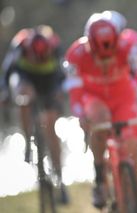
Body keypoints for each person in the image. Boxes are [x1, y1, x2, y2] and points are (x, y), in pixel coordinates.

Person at [63, 10, 137, 211]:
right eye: (100, 57)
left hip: (123, 97)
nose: (105, 61)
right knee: (99, 119)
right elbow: (74, 88)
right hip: (94, 98)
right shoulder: (76, 53)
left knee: (132, 155)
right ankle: (100, 176)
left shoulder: (129, 46)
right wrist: (80, 113)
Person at [0, 25, 69, 203]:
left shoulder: (54, 44)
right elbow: (8, 70)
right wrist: (5, 92)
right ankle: (28, 141)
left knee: (50, 126)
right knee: (24, 97)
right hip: (26, 78)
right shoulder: (21, 42)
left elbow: (63, 72)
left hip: (49, 81)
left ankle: (60, 179)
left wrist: (62, 91)